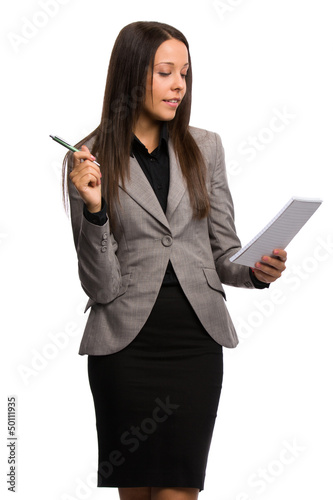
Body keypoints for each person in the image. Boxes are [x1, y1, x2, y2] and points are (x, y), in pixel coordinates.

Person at [62, 21, 287, 500]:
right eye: (165, 72)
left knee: (179, 492)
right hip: (125, 345)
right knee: (137, 493)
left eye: (184, 73)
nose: (179, 85)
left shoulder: (206, 148)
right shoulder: (89, 159)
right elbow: (99, 286)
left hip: (194, 343)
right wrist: (96, 211)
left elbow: (225, 252)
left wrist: (255, 270)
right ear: (131, 75)